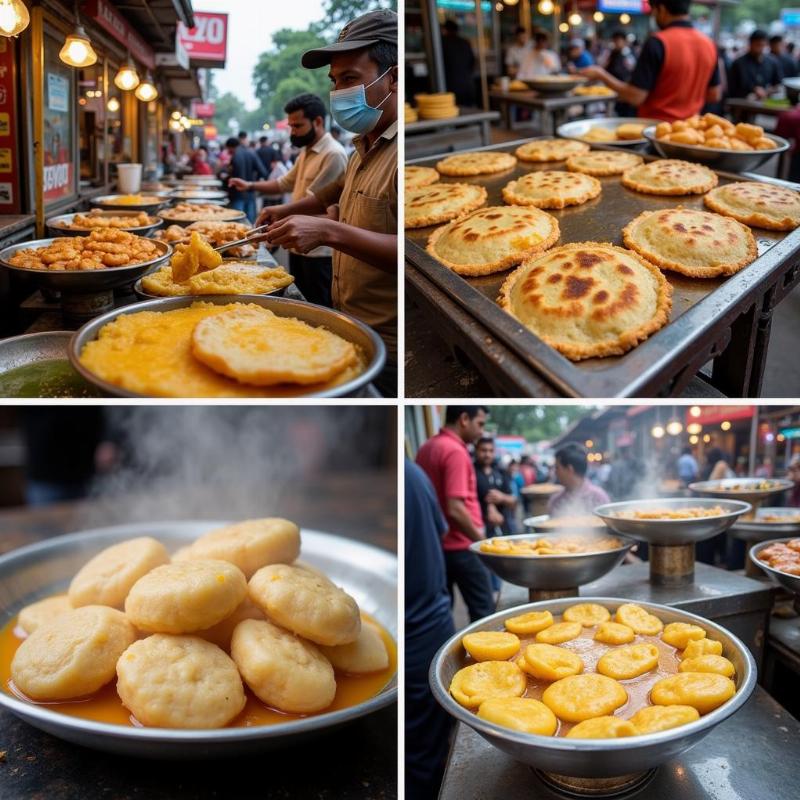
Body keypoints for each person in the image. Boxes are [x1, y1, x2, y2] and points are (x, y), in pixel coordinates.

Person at [255, 10, 398, 396]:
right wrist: (287, 211)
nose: (338, 93)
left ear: (395, 77)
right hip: (350, 324)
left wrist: (329, 230)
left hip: (391, 345)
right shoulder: (361, 148)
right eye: (334, 82)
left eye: (350, 79)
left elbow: (413, 257)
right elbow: (331, 194)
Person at [230, 94, 348, 307]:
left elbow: (319, 202)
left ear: (318, 122)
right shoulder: (306, 152)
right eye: (290, 126)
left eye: (298, 126)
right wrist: (250, 185)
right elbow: (283, 183)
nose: (292, 131)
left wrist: (280, 211)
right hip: (297, 244)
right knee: (300, 300)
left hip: (319, 250)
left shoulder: (334, 154)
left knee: (317, 305)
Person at [578, 0, 720, 123]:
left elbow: (635, 97)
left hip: (656, 130)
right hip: (691, 132)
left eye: (653, 11)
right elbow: (714, 95)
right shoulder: (709, 44)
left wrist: (600, 74)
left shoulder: (658, 42)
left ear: (662, 9)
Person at [404, 460, 455, 800]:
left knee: (420, 753)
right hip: (432, 624)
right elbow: (441, 531)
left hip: (417, 636)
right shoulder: (415, 475)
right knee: (427, 748)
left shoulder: (413, 471)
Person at [415, 406, 495, 622]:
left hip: (438, 548)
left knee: (443, 609)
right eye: (480, 424)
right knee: (484, 611)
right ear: (464, 419)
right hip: (464, 547)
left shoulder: (427, 447)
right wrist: (484, 545)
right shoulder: (455, 451)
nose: (481, 431)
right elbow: (456, 508)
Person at [548, 442, 610, 517]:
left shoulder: (598, 498)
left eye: (557, 468)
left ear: (569, 469)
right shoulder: (556, 501)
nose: (555, 472)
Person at [474, 437, 517, 537]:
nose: (487, 454)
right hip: (479, 531)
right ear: (476, 450)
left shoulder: (501, 472)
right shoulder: (471, 472)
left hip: (504, 529)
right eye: (483, 450)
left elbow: (514, 501)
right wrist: (488, 507)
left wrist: (502, 498)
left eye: (491, 451)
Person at [728, 30, 781, 99]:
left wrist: (768, 91)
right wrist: (752, 90)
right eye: (757, 45)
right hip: (744, 104)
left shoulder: (772, 62)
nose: (759, 49)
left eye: (762, 45)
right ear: (750, 44)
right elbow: (732, 89)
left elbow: (778, 84)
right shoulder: (739, 63)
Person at [224, 136, 267, 222]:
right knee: (250, 224)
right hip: (250, 193)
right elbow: (263, 172)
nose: (228, 152)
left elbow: (233, 176)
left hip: (237, 194)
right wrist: (254, 182)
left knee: (237, 222)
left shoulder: (235, 156)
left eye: (228, 149)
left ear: (230, 147)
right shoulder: (252, 153)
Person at [441, 19, 475, 106]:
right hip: (467, 84)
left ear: (445, 29)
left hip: (450, 86)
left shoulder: (442, 42)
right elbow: (473, 62)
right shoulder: (465, 42)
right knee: (469, 110)